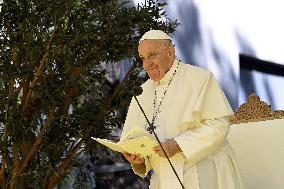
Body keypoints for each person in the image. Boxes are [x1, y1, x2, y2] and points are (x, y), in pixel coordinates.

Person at [120, 30, 244, 189]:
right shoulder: (142, 93)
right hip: (163, 178)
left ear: (170, 53)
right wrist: (137, 157)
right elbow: (134, 138)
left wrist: (178, 144)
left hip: (202, 171)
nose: (146, 64)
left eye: (152, 55)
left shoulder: (200, 78)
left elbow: (219, 124)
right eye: (143, 58)